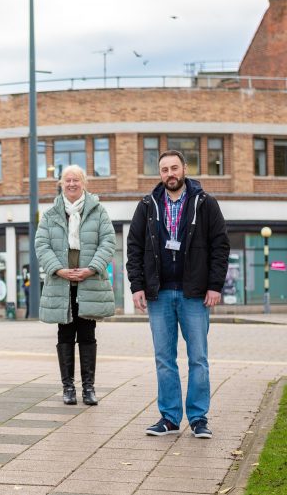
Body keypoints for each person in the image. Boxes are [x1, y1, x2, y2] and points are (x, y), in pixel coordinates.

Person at [127, 150, 229, 439]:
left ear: (184, 169)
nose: (169, 174)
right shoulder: (147, 205)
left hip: (194, 294)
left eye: (174, 168)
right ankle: (170, 418)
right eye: (164, 170)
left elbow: (220, 246)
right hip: (159, 295)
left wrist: (215, 285)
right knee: (164, 358)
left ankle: (198, 418)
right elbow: (134, 248)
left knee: (198, 358)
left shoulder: (205, 203)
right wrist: (137, 285)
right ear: (159, 174)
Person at [35, 165, 115, 406]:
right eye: (67, 180)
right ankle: (68, 388)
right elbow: (42, 245)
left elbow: (108, 242)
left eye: (76, 180)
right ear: (61, 184)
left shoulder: (98, 211)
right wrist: (59, 270)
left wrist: (91, 268)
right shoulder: (50, 215)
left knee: (88, 335)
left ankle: (88, 389)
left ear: (84, 183)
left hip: (89, 282)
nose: (71, 184)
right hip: (62, 283)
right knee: (65, 334)